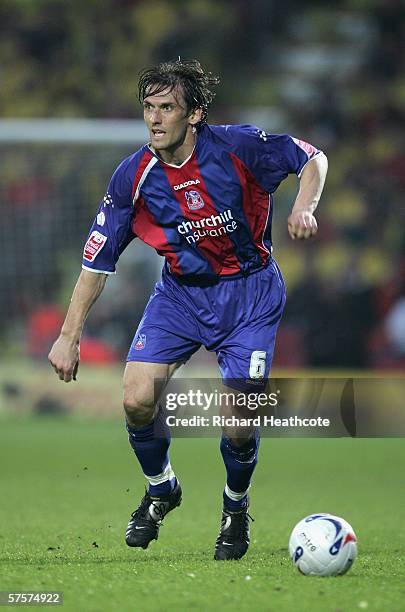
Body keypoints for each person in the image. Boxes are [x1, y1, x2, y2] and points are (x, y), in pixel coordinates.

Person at [48, 59, 328, 561]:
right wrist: (69, 336)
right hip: (179, 295)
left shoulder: (239, 147)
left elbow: (311, 158)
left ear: (194, 113)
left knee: (239, 420)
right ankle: (162, 489)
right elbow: (96, 262)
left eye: (167, 108)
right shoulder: (133, 177)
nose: (155, 119)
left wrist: (305, 205)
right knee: (136, 397)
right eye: (148, 108)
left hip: (250, 295)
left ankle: (235, 508)